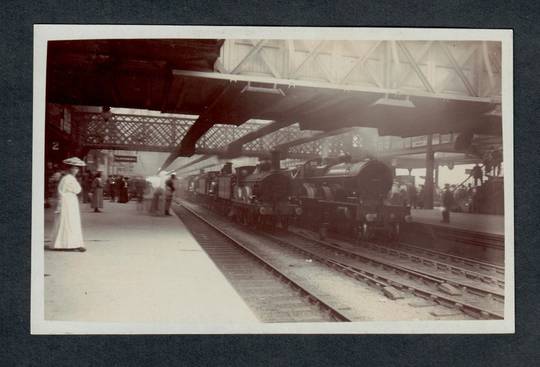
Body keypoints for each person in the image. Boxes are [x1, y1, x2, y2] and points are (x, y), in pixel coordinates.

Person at [50, 157, 87, 252]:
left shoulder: (66, 178)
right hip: (68, 202)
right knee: (70, 221)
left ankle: (65, 243)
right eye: (75, 168)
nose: (77, 170)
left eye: (77, 168)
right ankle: (70, 244)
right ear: (71, 169)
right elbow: (77, 190)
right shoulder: (70, 178)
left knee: (67, 221)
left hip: (68, 201)